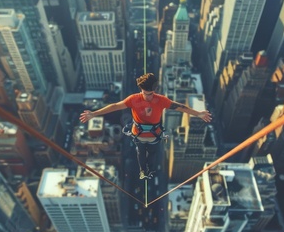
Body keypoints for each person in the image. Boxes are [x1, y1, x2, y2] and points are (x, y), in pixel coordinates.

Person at [79, 73, 211, 180]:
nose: (147, 96)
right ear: (141, 89)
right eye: (144, 92)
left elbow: (180, 107)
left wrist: (198, 113)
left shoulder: (161, 100)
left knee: (151, 153)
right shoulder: (134, 99)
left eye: (149, 93)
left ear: (154, 90)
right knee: (141, 153)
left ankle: (149, 170)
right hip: (141, 134)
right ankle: (144, 171)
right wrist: (94, 113)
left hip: (151, 135)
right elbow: (115, 106)